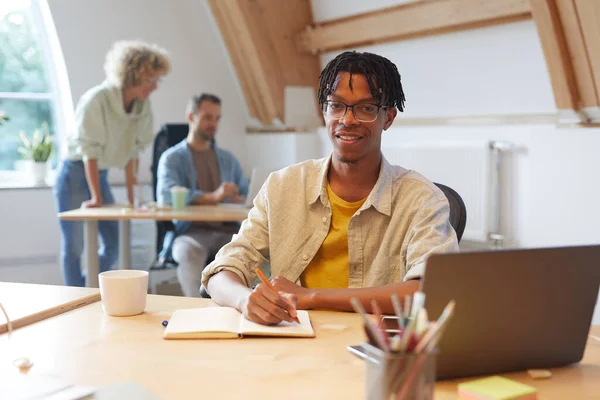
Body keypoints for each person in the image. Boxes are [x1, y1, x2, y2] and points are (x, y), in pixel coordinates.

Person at [202, 51, 459, 325]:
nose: (347, 120)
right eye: (336, 106)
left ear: (389, 118)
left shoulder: (421, 199)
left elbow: (430, 292)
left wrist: (312, 297)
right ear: (324, 112)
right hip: (289, 342)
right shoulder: (282, 187)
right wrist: (244, 299)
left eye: (366, 108)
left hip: (372, 348)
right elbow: (222, 271)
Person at [54, 40, 170, 286]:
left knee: (114, 244)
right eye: (150, 80)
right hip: (75, 173)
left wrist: (132, 198)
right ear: (132, 74)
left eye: (157, 80)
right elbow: (90, 153)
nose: (155, 87)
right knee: (74, 247)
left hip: (100, 173)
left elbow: (133, 154)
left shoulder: (142, 106)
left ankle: (86, 288)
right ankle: (76, 296)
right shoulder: (96, 100)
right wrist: (97, 197)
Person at [157, 94, 249, 297]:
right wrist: (213, 196)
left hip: (229, 231)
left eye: (217, 118)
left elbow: (245, 193)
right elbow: (165, 195)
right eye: (208, 117)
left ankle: (243, 308)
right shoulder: (172, 158)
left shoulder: (227, 159)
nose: (213, 124)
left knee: (257, 249)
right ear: (191, 116)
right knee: (187, 252)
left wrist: (239, 199)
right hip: (191, 233)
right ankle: (195, 309)